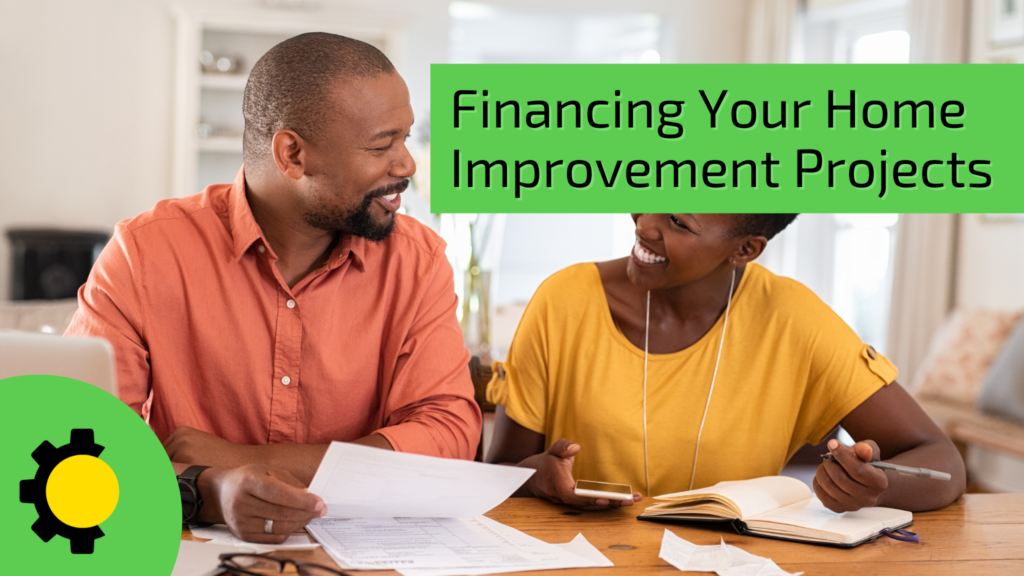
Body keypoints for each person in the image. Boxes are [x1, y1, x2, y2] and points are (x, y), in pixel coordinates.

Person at [66, 33, 481, 542]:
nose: (407, 165)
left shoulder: (417, 262)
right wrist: (211, 490)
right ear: (291, 154)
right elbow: (81, 441)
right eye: (381, 145)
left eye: (405, 138)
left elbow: (449, 433)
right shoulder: (146, 253)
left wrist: (248, 462)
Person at [486, 214, 965, 513]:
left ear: (745, 249)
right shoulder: (563, 300)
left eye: (678, 221)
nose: (644, 224)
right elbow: (502, 471)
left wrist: (875, 488)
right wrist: (542, 478)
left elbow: (942, 463)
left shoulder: (793, 318)